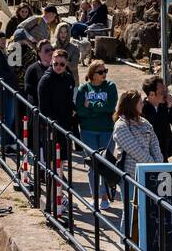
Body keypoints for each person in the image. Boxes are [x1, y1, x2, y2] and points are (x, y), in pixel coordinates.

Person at [112, 88, 164, 251]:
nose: (143, 104)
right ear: (131, 104)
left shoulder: (145, 123)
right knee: (130, 211)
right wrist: (152, 165)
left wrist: (159, 165)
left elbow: (155, 145)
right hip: (130, 176)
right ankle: (126, 244)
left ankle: (140, 246)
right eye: (140, 101)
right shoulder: (121, 125)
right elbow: (134, 150)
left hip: (149, 175)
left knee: (145, 212)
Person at [76, 60, 118, 205]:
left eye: (105, 71)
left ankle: (105, 196)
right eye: (100, 72)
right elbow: (80, 111)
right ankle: (95, 197)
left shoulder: (111, 87)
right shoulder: (84, 88)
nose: (104, 74)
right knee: (93, 165)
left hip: (106, 130)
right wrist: (98, 109)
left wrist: (91, 107)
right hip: (88, 131)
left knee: (106, 164)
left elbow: (110, 107)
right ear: (92, 74)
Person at [37, 49, 77, 194]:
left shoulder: (68, 78)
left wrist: (73, 110)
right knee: (53, 162)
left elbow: (69, 100)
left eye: (61, 64)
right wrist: (51, 125)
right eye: (55, 64)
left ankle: (59, 194)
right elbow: (44, 108)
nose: (58, 66)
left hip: (65, 125)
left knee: (63, 161)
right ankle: (54, 195)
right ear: (51, 63)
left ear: (66, 64)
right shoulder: (45, 80)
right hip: (51, 127)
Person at [141, 75, 172, 161]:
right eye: (162, 93)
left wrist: (171, 107)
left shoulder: (165, 106)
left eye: (166, 91)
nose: (166, 95)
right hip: (148, 157)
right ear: (152, 94)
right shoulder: (142, 109)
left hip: (164, 154)